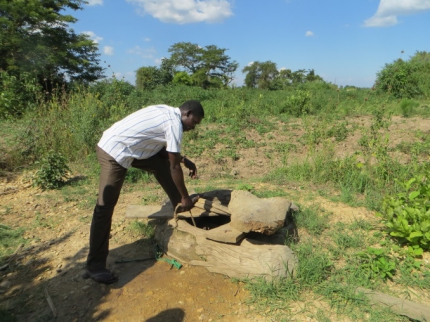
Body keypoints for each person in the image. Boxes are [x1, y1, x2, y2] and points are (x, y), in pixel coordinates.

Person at [84, 100, 204, 284]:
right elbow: (174, 167)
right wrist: (187, 196)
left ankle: (178, 204)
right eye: (194, 122)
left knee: (160, 165)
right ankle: (95, 266)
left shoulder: (167, 111)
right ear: (186, 114)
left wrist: (184, 159)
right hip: (114, 151)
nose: (193, 127)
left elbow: (165, 152)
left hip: (133, 150)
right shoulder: (174, 124)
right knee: (104, 206)